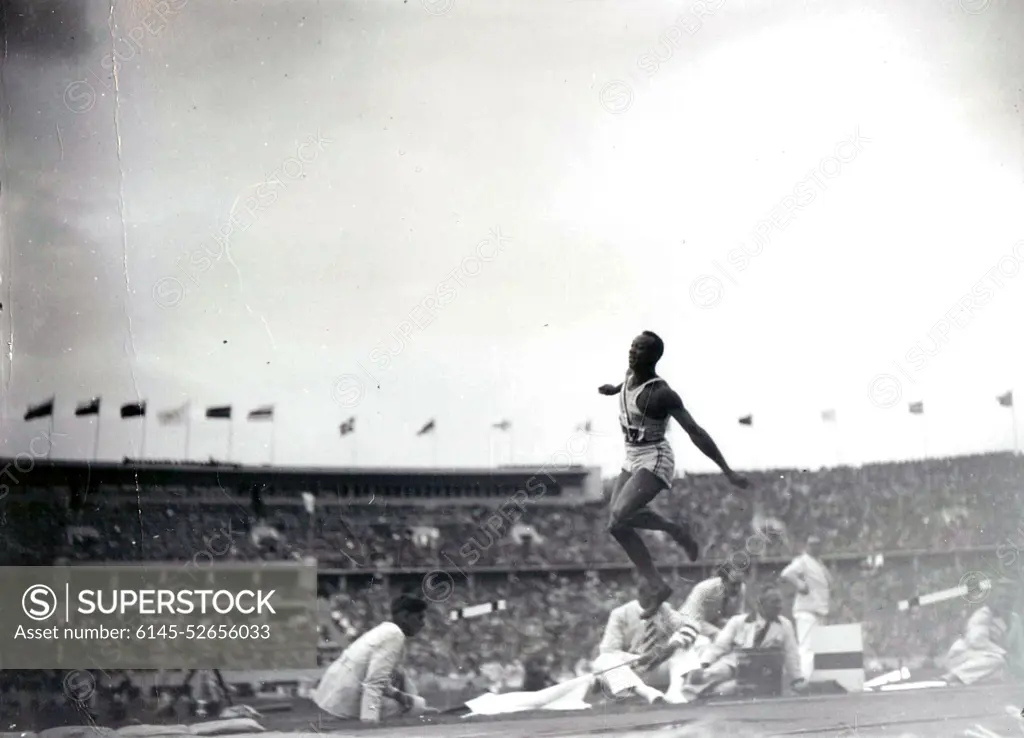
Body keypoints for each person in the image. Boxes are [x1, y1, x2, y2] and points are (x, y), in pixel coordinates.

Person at [599, 330, 748, 618]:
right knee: (615, 526)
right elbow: (626, 384)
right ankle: (658, 584)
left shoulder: (661, 394)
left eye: (640, 349)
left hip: (656, 458)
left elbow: (696, 432)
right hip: (632, 456)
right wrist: (613, 389)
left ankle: (674, 529)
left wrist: (727, 470)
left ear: (653, 357)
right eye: (632, 347)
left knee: (620, 514)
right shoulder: (630, 374)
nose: (633, 352)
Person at [312, 593, 437, 723]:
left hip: (334, 693)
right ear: (405, 616)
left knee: (413, 702)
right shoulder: (394, 635)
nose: (423, 624)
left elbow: (380, 681)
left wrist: (402, 698)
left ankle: (418, 707)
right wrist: (370, 721)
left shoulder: (385, 630)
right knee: (412, 704)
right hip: (344, 697)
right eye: (419, 618)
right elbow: (374, 683)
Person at [682, 585, 804, 700]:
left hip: (761, 672)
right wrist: (705, 663)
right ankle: (692, 685)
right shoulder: (738, 621)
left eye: (780, 601)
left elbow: (791, 653)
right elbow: (719, 646)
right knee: (715, 672)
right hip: (734, 662)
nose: (780, 606)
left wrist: (797, 679)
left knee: (730, 688)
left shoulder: (785, 625)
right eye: (774, 602)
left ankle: (700, 693)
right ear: (760, 604)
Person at [593, 598, 689, 704]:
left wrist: (672, 645)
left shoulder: (666, 609)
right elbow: (609, 652)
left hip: (659, 669)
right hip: (632, 672)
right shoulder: (620, 614)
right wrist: (638, 659)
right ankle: (648, 694)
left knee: (684, 647)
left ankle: (674, 692)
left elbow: (687, 628)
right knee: (603, 660)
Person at [942, 587, 1024, 686]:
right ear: (994, 599)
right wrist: (1003, 653)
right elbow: (976, 641)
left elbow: (1020, 647)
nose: (1005, 602)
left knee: (1003, 670)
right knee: (997, 660)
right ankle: (954, 676)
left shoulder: (1015, 619)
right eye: (1001, 598)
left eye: (1009, 599)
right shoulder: (983, 615)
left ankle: (964, 680)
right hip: (965, 655)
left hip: (989, 659)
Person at [780, 535, 831, 680]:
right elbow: (787, 573)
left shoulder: (817, 563)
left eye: (818, 545)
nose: (815, 547)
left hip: (818, 610)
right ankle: (803, 678)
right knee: (807, 647)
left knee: (816, 647)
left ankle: (812, 678)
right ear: (807, 546)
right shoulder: (802, 560)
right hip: (807, 610)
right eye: (812, 545)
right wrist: (800, 585)